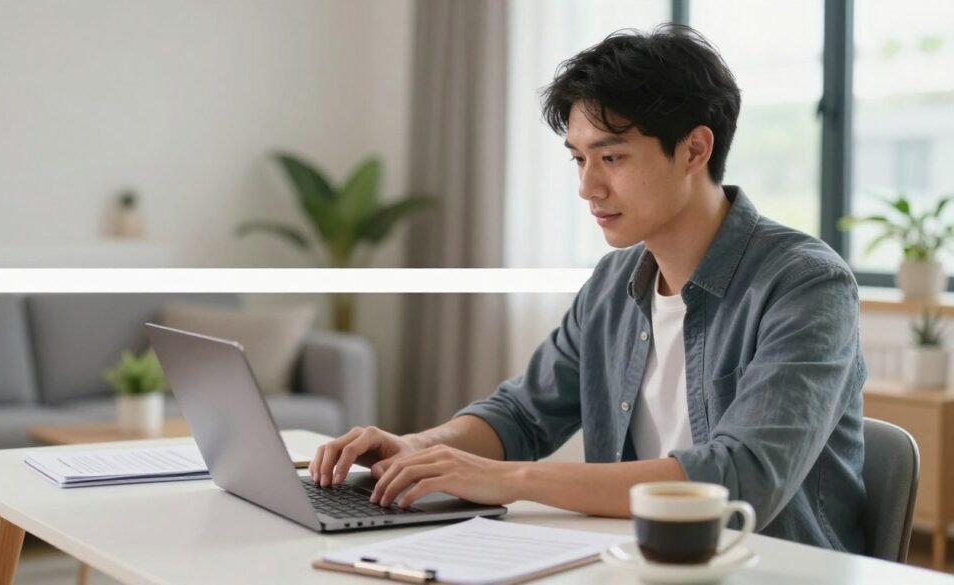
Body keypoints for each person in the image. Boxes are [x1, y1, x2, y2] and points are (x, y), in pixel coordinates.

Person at [311, 24, 866, 553]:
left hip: (771, 569)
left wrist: (510, 480)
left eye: (611, 157)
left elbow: (738, 480)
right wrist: (418, 447)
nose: (587, 186)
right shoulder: (613, 283)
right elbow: (523, 414)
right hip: (629, 562)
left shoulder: (805, 284)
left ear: (695, 150)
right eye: (579, 159)